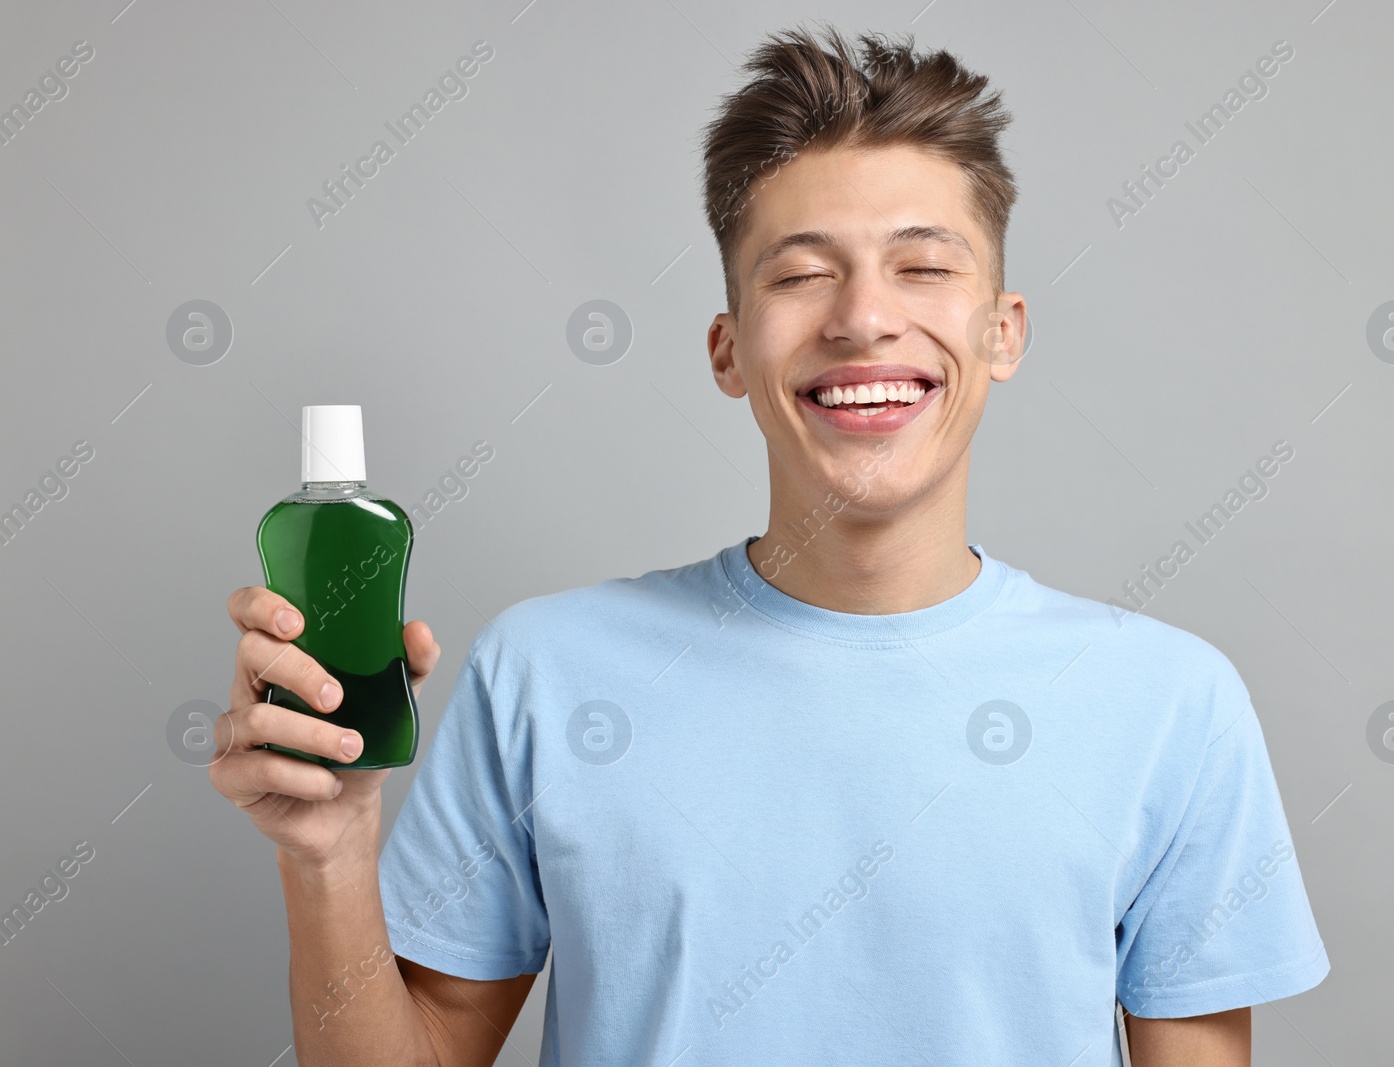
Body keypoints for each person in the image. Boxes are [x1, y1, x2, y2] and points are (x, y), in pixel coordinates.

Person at [215, 23, 1328, 1067]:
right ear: (727, 347)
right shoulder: (544, 674)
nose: (861, 318)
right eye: (800, 273)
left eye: (923, 265)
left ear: (1003, 333)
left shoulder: (1169, 702)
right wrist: (329, 854)